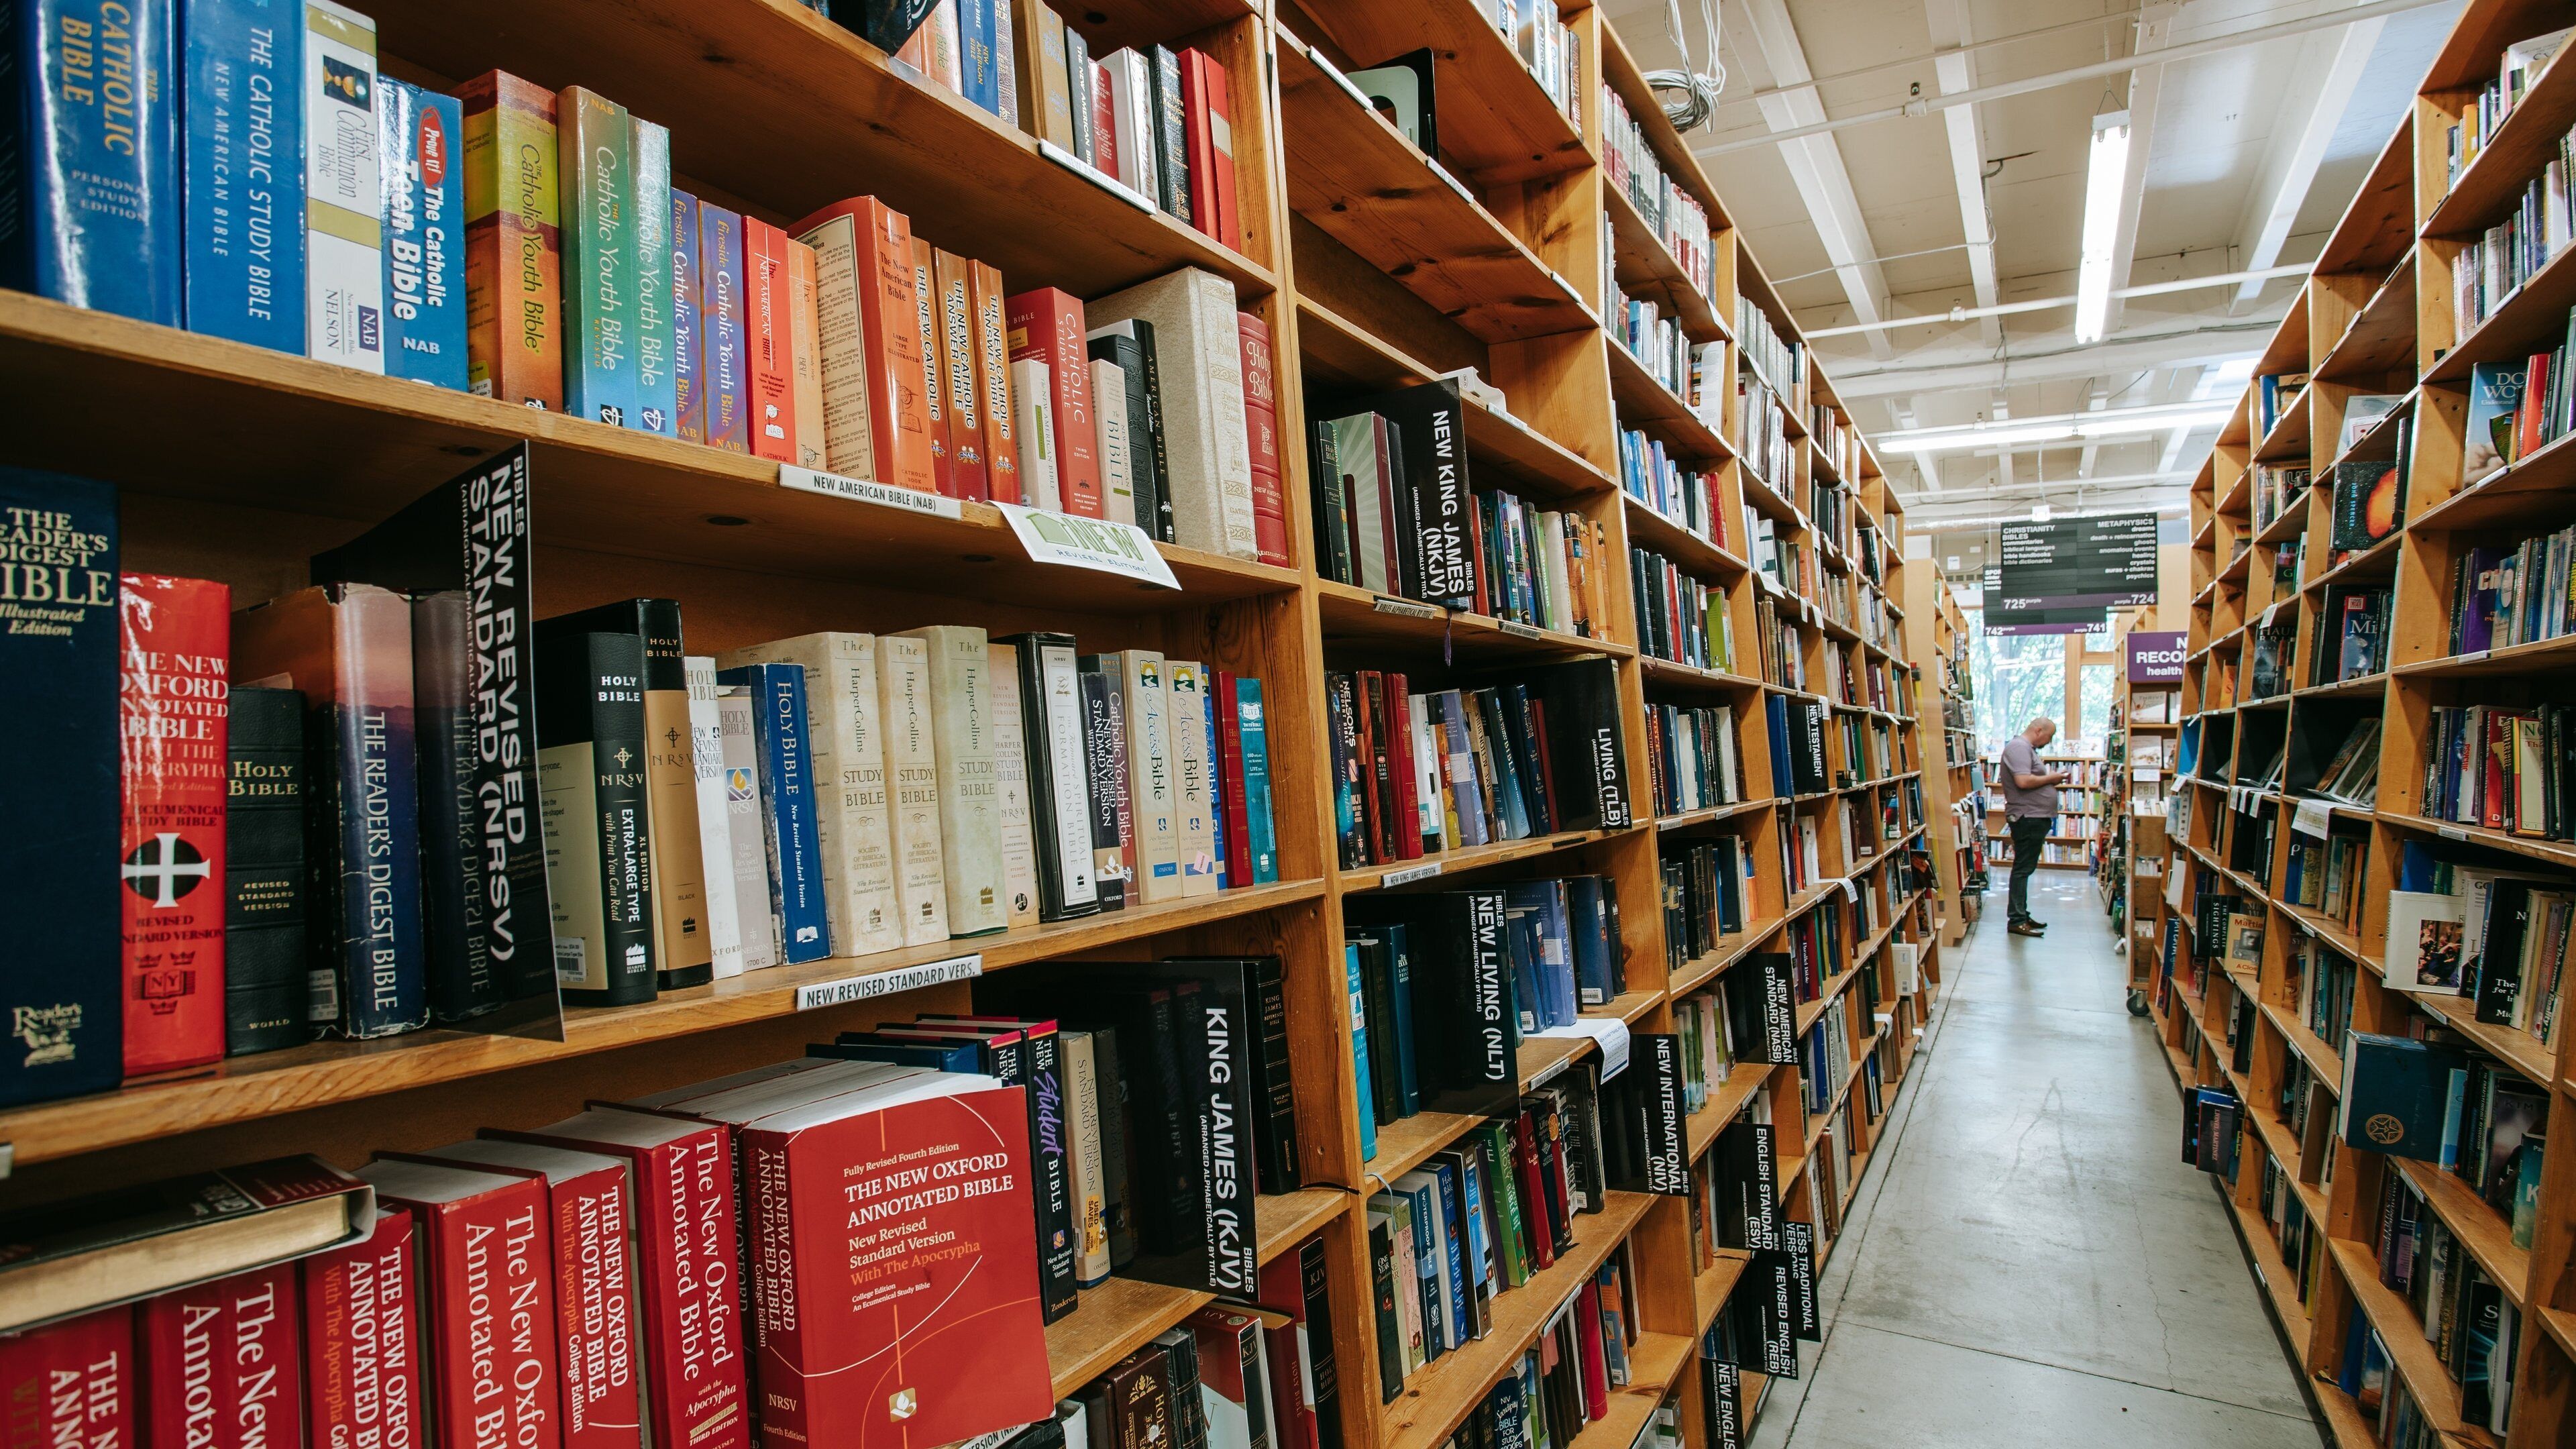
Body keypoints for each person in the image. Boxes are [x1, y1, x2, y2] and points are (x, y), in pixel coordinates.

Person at [1998, 716, 2071, 937]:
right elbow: (2023, 781)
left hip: (2032, 816)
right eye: (2049, 736)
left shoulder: (2024, 748)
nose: (2049, 742)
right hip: (2027, 816)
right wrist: (2052, 779)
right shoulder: (2019, 748)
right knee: (2022, 869)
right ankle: (2017, 919)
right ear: (2039, 730)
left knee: (2025, 868)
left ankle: (2021, 914)